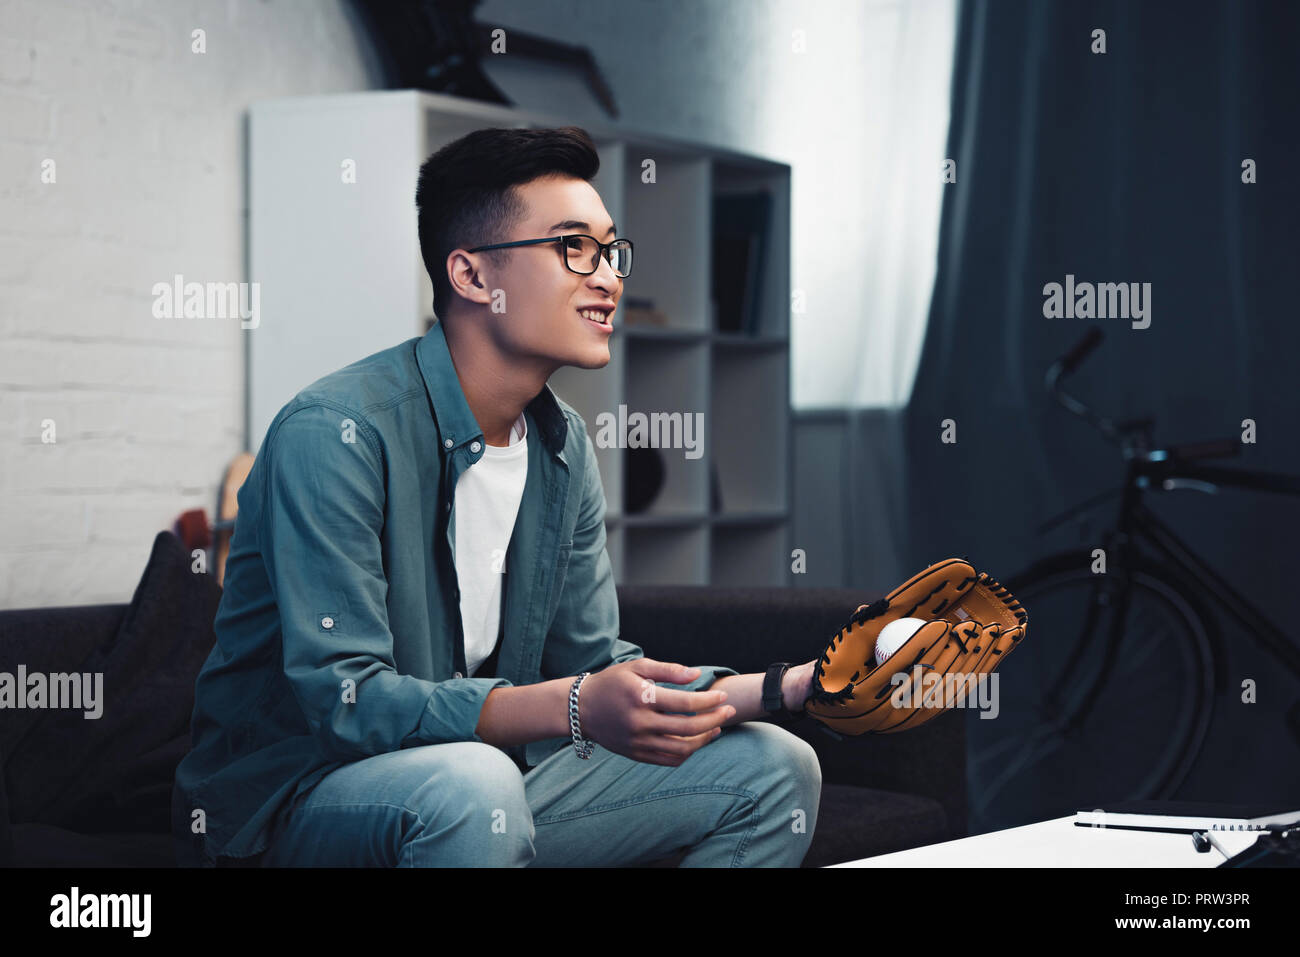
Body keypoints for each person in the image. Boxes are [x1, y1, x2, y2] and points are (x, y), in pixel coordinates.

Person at [172, 125, 821, 868]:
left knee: (774, 767)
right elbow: (347, 701)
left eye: (611, 251)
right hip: (292, 805)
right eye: (574, 247)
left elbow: (598, 661)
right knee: (476, 785)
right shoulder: (336, 433)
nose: (607, 277)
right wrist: (575, 705)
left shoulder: (561, 443)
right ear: (473, 276)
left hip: (479, 790)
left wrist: (796, 686)